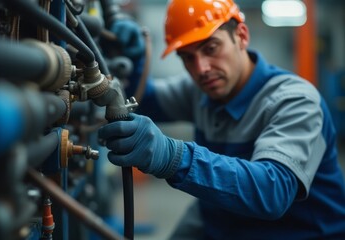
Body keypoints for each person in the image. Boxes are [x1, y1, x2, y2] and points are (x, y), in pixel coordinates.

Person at [98, 0, 345, 239]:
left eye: (211, 48)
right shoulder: (201, 91)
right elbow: (146, 100)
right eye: (187, 57)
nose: (201, 68)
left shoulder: (294, 100)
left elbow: (273, 191)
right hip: (230, 223)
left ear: (242, 36)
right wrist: (135, 59)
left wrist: (173, 157)